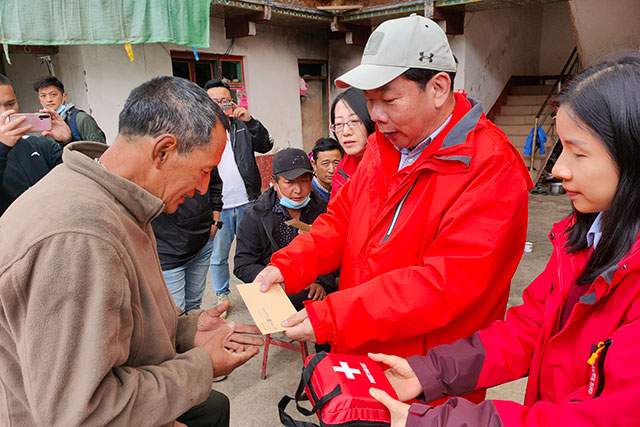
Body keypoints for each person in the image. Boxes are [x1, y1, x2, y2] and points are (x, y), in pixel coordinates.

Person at [256, 14, 532, 405]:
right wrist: (288, 266)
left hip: (426, 376)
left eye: (388, 100)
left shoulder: (490, 168)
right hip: (361, 352)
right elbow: (340, 223)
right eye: (369, 101)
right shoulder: (383, 147)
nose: (376, 116)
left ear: (438, 88)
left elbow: (443, 286)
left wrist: (333, 316)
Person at [368, 54, 640, 427]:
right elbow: (529, 329)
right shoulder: (585, 238)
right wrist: (429, 372)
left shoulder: (491, 162)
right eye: (561, 149)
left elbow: (601, 417)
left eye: (578, 153)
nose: (559, 169)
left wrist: (435, 422)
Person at [0, 76, 262, 426]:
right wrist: (201, 365)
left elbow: (121, 315)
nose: (203, 188)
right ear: (163, 151)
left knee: (213, 407)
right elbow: (82, 413)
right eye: (203, 171)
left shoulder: (116, 196)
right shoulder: (81, 237)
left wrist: (184, 330)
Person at [234, 148, 337, 310]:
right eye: (289, 183)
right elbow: (243, 265)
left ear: (312, 180)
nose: (297, 190)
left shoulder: (324, 210)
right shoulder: (255, 215)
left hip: (314, 296)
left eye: (303, 181)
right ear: (275, 184)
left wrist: (321, 282)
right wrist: (277, 277)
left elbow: (334, 252)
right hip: (275, 293)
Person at [204, 78, 273, 316]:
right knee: (218, 256)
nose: (220, 105)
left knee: (254, 252)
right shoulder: (199, 130)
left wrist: (250, 121)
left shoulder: (241, 126)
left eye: (224, 100)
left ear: (231, 102)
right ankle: (222, 296)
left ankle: (258, 292)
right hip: (219, 207)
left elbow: (265, 145)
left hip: (248, 203)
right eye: (214, 101)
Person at [152, 167, 223, 311]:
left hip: (203, 242)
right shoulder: (151, 161)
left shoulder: (204, 155)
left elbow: (214, 183)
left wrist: (215, 220)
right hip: (169, 252)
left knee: (194, 306)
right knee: (176, 313)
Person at [0, 73, 71, 215]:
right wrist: (2, 148)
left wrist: (67, 141)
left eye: (10, 104)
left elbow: (78, 179)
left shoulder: (40, 145)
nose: (5, 113)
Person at [329, 87, 375, 198]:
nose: (346, 132)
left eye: (354, 121)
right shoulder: (342, 169)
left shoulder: (389, 164)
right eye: (339, 124)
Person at [33, 75, 106, 144]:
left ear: (64, 96)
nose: (49, 100)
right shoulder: (45, 125)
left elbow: (99, 149)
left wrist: (69, 140)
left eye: (53, 94)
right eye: (43, 96)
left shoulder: (81, 119)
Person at [309, 137, 343, 201]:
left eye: (336, 163)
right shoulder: (309, 194)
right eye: (325, 163)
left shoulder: (341, 189)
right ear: (314, 164)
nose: (331, 170)